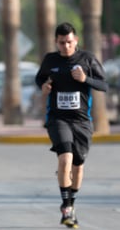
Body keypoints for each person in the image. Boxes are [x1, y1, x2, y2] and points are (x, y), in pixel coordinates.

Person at [35, 22, 108, 229]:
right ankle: (66, 207)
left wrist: (86, 79)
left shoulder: (87, 60)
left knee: (78, 166)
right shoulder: (51, 60)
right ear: (56, 42)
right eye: (61, 43)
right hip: (58, 119)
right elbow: (39, 78)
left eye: (69, 42)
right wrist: (44, 85)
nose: (66, 46)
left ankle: (71, 205)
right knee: (65, 157)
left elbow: (103, 85)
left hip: (82, 121)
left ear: (75, 40)